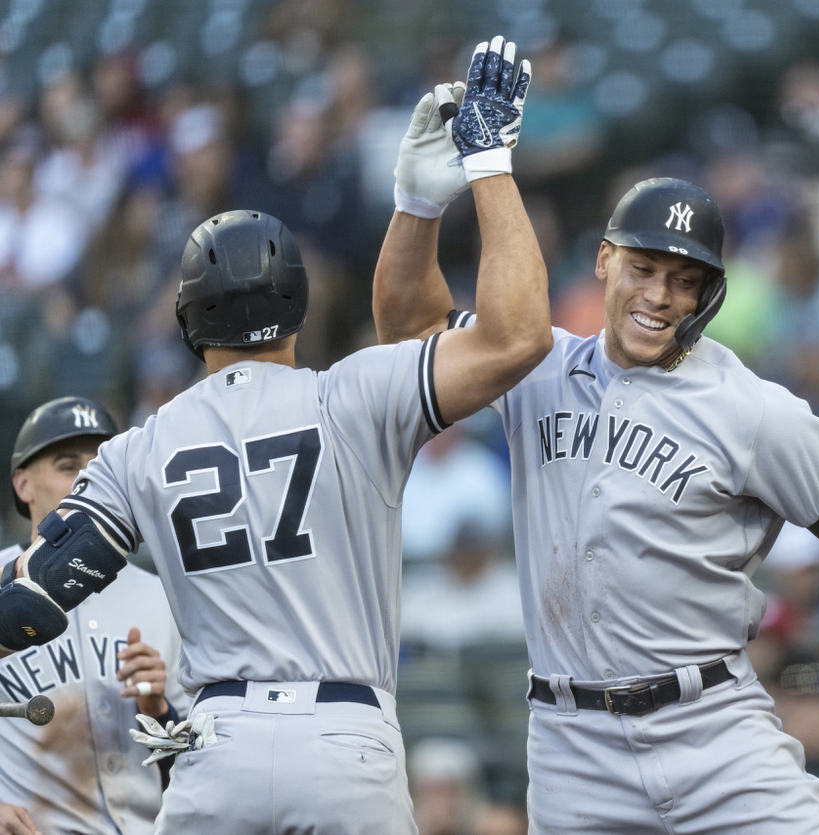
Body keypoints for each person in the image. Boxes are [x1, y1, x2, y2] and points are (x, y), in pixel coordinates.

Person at [373, 136, 819, 829]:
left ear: (711, 292)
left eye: (685, 281)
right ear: (604, 262)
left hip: (711, 731)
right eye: (644, 269)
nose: (660, 295)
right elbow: (410, 328)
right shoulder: (534, 364)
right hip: (571, 749)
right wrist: (418, 205)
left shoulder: (753, 409)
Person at [0, 36, 548, 835]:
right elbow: (516, 337)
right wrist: (478, 172)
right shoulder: (354, 393)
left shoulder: (140, 448)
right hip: (345, 737)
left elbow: (37, 599)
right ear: (297, 306)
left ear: (188, 320)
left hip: (215, 750)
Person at [0, 396, 185, 835]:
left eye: (98, 468)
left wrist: (158, 710)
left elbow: (195, 756)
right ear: (24, 485)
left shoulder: (165, 597)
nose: (86, 481)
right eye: (67, 467)